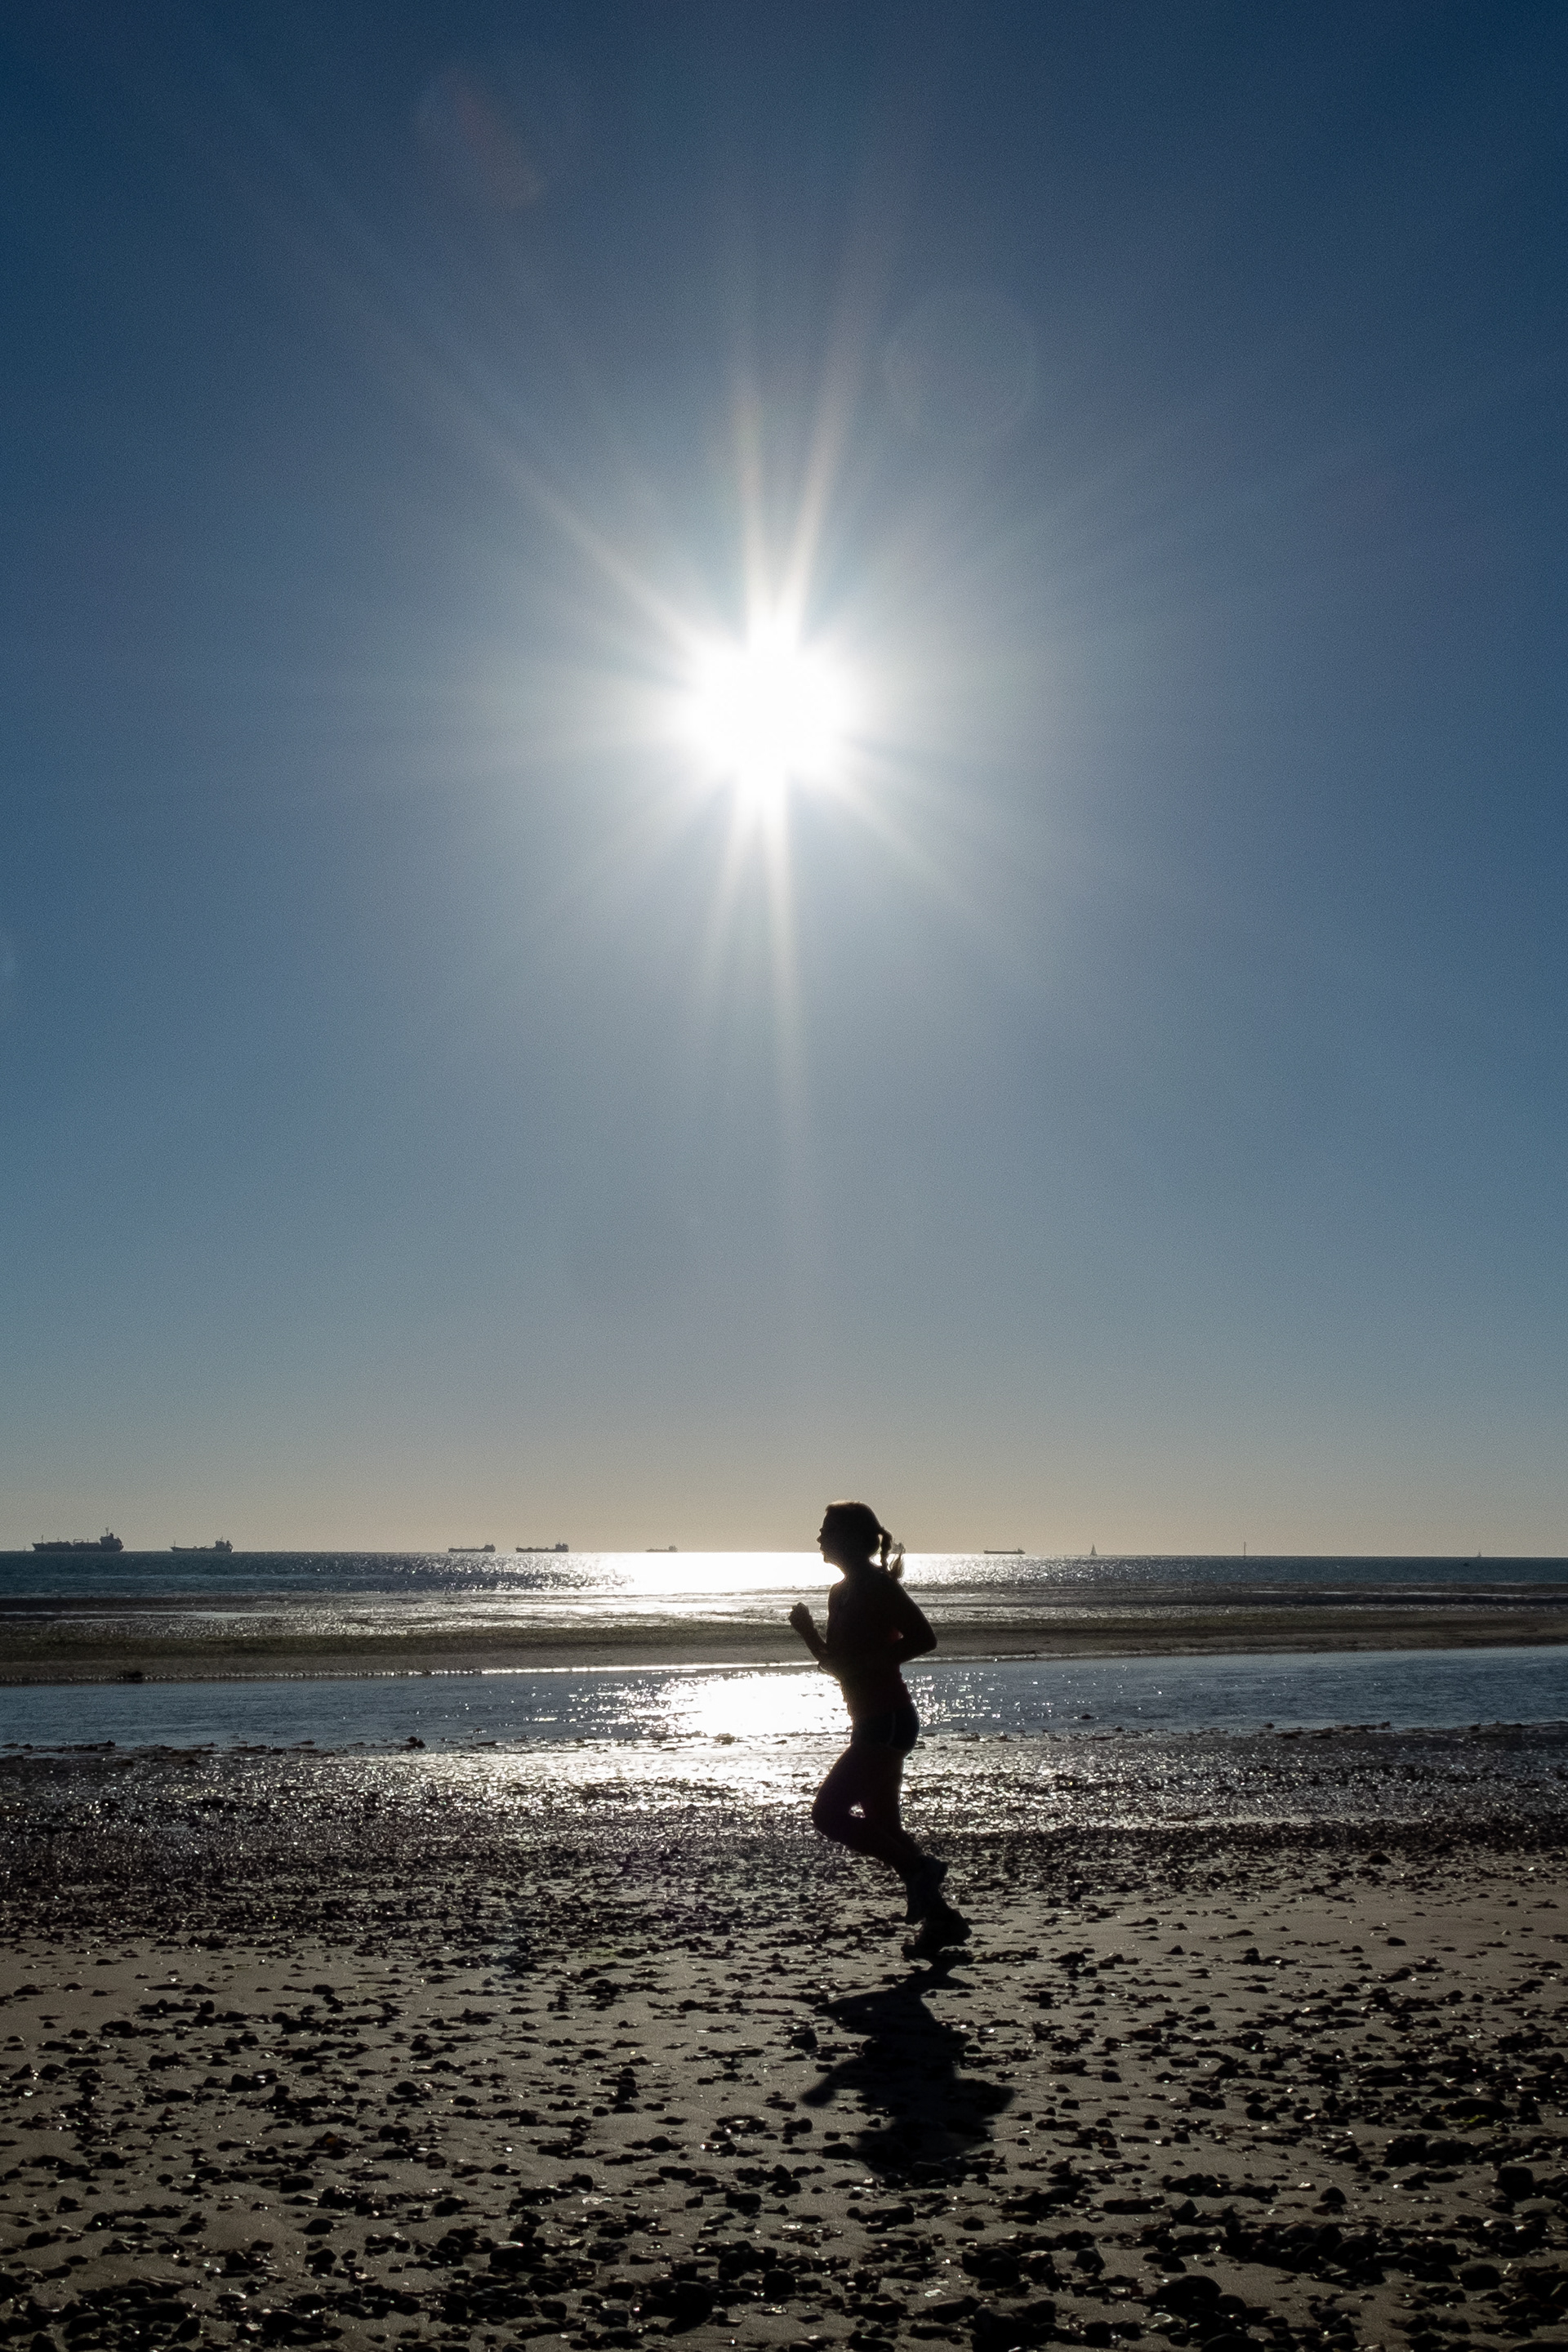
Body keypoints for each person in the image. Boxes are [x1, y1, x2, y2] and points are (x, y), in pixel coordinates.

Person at [789, 1499, 969, 1958]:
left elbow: (925, 1639)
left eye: (827, 1529)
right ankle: (942, 1921)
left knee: (828, 1814)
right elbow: (837, 1667)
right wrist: (807, 1634)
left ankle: (922, 1871)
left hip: (889, 1720)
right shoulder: (840, 1592)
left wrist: (870, 1663)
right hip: (867, 1720)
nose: (819, 1538)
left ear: (850, 1538)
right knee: (887, 1829)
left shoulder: (877, 1586)